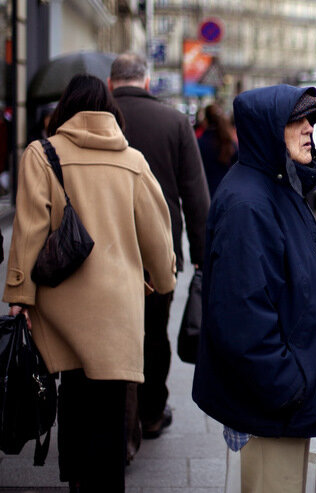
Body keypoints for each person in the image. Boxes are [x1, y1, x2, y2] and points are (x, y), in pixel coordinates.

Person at [3, 73, 176, 491]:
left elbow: (29, 229)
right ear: (110, 112)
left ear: (65, 108)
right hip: (118, 307)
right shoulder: (132, 160)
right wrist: (163, 280)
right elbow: (157, 234)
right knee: (112, 408)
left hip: (64, 306)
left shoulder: (41, 154)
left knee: (75, 397)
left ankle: (77, 478)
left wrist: (19, 295)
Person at [192, 85, 316, 493]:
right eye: (296, 120)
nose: (308, 130)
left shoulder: (277, 188)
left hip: (280, 406)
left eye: (311, 121)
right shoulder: (249, 203)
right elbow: (240, 316)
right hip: (270, 407)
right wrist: (289, 387)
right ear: (267, 129)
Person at [109, 53, 210, 439]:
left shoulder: (99, 117)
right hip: (159, 252)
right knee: (154, 334)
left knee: (111, 334)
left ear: (109, 84)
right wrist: (202, 255)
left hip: (104, 248)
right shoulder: (173, 121)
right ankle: (151, 413)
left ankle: (117, 415)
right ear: (148, 82)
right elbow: (194, 194)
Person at [197, 103, 238, 196]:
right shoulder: (229, 142)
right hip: (226, 192)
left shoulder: (200, 143)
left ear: (205, 120)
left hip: (205, 192)